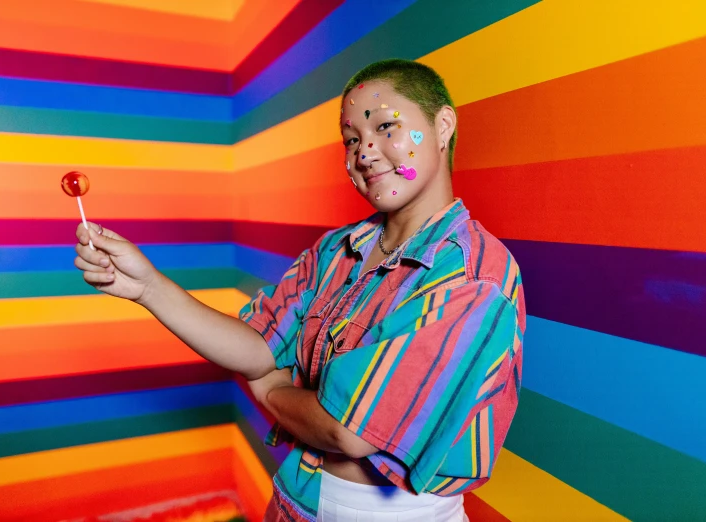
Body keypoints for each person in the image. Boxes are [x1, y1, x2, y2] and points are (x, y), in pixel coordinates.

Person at [74, 59, 525, 522]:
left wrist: (271, 392)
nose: (365, 153)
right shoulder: (337, 250)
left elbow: (347, 431)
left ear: (443, 124)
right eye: (352, 140)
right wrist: (147, 286)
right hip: (296, 498)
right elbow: (256, 348)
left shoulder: (472, 274)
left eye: (387, 126)